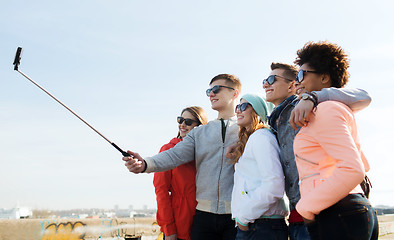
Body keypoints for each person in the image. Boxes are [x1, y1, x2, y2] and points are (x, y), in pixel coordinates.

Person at [123, 74, 242, 240]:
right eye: (209, 91)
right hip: (203, 218)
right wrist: (144, 164)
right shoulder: (199, 133)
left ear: (235, 93)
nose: (211, 94)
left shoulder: (247, 130)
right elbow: (173, 155)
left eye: (216, 89)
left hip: (237, 217)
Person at [263, 62, 372, 240]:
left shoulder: (311, 105)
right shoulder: (275, 120)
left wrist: (312, 97)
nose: (265, 84)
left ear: (292, 84)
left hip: (323, 206)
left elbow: (363, 96)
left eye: (271, 79)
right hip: (301, 213)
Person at [293, 41, 378, 239]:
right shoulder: (332, 107)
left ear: (324, 77)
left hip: (337, 210)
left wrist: (305, 207)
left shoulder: (326, 109)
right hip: (346, 208)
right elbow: (363, 163)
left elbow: (353, 169)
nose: (296, 82)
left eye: (301, 75)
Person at [230, 94, 288, 240]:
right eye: (237, 106)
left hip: (262, 225)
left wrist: (244, 217)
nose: (238, 110)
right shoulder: (254, 139)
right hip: (256, 223)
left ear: (257, 110)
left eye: (244, 106)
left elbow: (274, 184)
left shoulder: (262, 137)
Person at [153, 106, 208, 240]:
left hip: (206, 220)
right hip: (180, 222)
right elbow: (161, 191)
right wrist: (169, 228)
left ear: (199, 126)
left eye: (188, 122)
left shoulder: (207, 152)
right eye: (180, 120)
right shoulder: (168, 150)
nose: (183, 125)